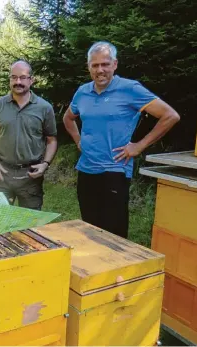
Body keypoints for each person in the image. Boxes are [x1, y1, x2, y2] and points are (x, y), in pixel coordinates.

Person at [63, 41, 180, 239]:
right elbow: (68, 118)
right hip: (86, 169)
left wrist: (139, 146)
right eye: (95, 65)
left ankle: (117, 270)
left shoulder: (130, 89)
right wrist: (78, 140)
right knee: (90, 230)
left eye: (105, 64)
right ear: (89, 67)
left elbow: (170, 116)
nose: (100, 70)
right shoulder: (83, 92)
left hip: (115, 170)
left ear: (115, 64)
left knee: (113, 235)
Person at [0, 60, 58, 210]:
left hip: (30, 175)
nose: (18, 81)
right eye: (13, 77)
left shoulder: (44, 108)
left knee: (30, 225)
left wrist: (45, 164)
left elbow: (52, 140)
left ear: (32, 80)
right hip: (2, 174)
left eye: (22, 77)